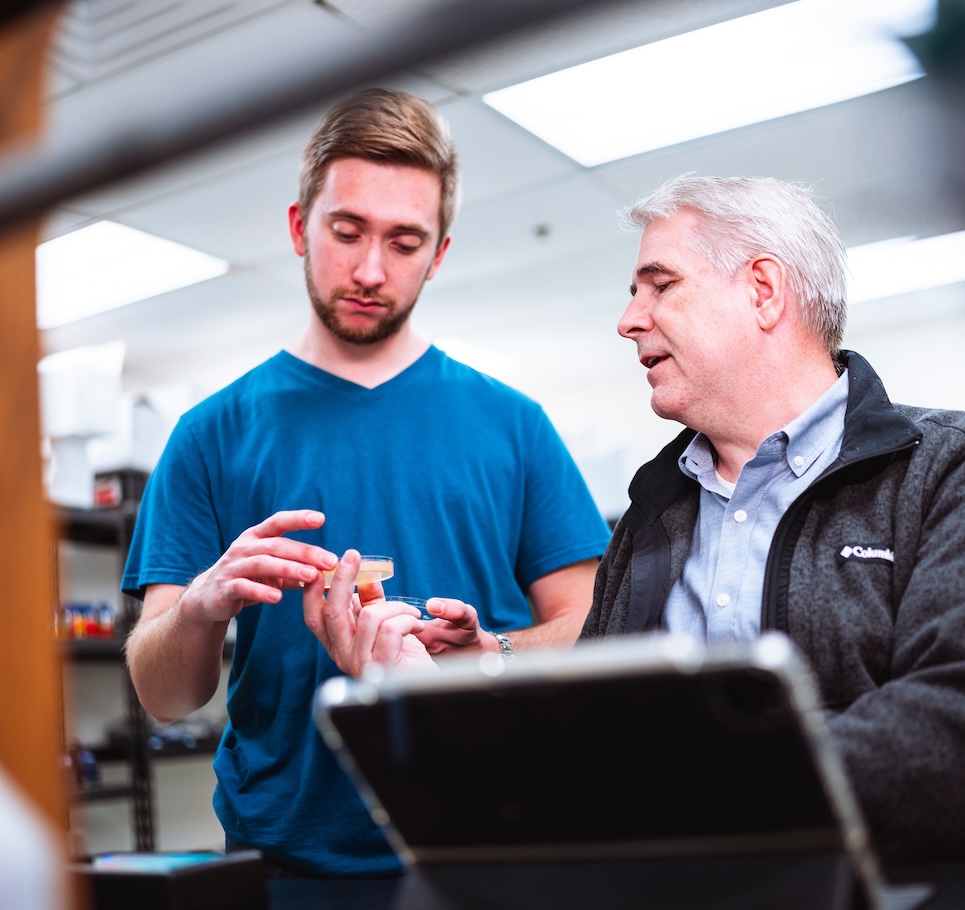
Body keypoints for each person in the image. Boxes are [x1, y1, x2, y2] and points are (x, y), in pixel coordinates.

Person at [121, 87, 612, 879]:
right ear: (298, 227)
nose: (370, 269)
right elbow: (164, 697)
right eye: (346, 232)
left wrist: (485, 652)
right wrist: (205, 605)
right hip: (284, 862)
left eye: (404, 241)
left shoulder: (513, 425)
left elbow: (591, 627)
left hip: (490, 847)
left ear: (439, 253)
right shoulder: (212, 433)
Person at [579, 174, 965, 865]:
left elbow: (946, 718)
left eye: (658, 284)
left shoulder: (942, 470)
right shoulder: (648, 511)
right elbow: (583, 726)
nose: (628, 319)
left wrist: (703, 791)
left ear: (762, 290)